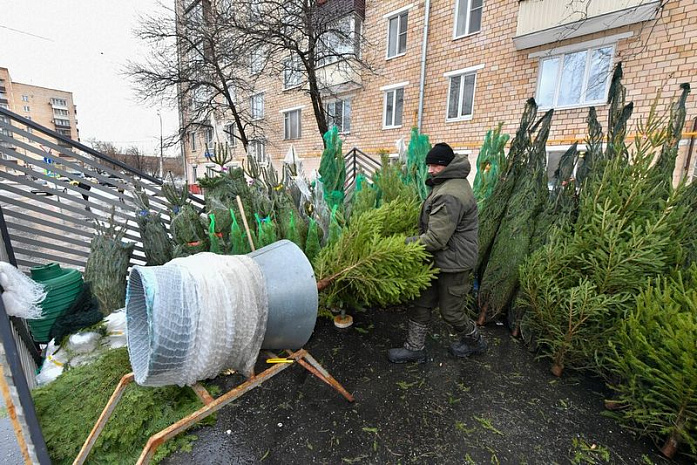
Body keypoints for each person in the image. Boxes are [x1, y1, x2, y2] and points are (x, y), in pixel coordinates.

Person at [388, 142, 486, 364]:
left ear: (448, 165)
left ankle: (475, 342)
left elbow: (436, 238)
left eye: (436, 165)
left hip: (454, 263)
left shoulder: (450, 193)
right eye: (429, 165)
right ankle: (414, 349)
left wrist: (401, 245)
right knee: (422, 302)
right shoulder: (449, 184)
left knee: (451, 312)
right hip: (439, 259)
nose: (430, 170)